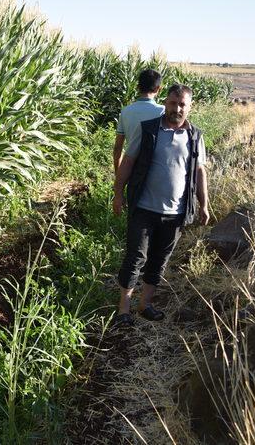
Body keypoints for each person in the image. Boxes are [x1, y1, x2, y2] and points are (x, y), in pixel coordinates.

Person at [112, 84, 209, 326]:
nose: (177, 108)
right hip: (144, 208)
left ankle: (145, 305)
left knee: (159, 259)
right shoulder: (148, 130)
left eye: (182, 104)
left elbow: (199, 172)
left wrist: (204, 204)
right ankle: (124, 309)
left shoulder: (195, 136)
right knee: (135, 257)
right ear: (165, 103)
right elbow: (128, 162)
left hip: (175, 213)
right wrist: (118, 194)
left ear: (189, 107)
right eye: (173, 103)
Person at [113, 69, 165, 175]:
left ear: (138, 87)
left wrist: (119, 174)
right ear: (158, 89)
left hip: (131, 167)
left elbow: (118, 147)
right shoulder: (163, 111)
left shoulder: (126, 111)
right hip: (156, 169)